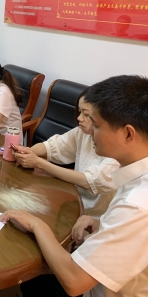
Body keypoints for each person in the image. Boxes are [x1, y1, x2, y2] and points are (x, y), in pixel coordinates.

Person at [0, 75, 148, 297]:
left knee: (35, 274)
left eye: (96, 125)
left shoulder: (137, 205)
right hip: (101, 286)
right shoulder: (136, 178)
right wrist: (101, 222)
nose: (91, 132)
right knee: (34, 281)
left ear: (128, 134)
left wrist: (37, 225)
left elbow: (74, 281)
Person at [13, 88, 119, 217]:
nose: (79, 118)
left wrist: (39, 162)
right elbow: (55, 145)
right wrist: (27, 151)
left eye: (86, 115)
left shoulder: (117, 149)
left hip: (96, 215)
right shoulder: (82, 132)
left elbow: (91, 181)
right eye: (79, 112)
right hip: (73, 198)